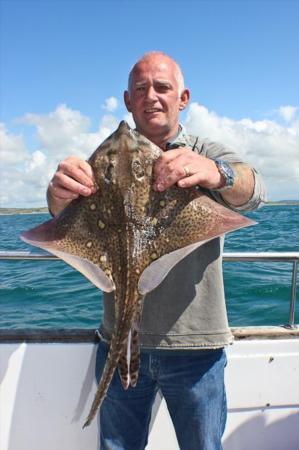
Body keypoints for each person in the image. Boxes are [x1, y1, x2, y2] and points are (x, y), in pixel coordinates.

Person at [47, 51, 266, 450]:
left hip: (196, 349)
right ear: (128, 100)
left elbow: (255, 192)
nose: (151, 96)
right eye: (140, 89)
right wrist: (58, 192)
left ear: (182, 98)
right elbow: (61, 216)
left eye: (162, 87)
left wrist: (216, 172)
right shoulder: (105, 161)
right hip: (118, 338)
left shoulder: (204, 149)